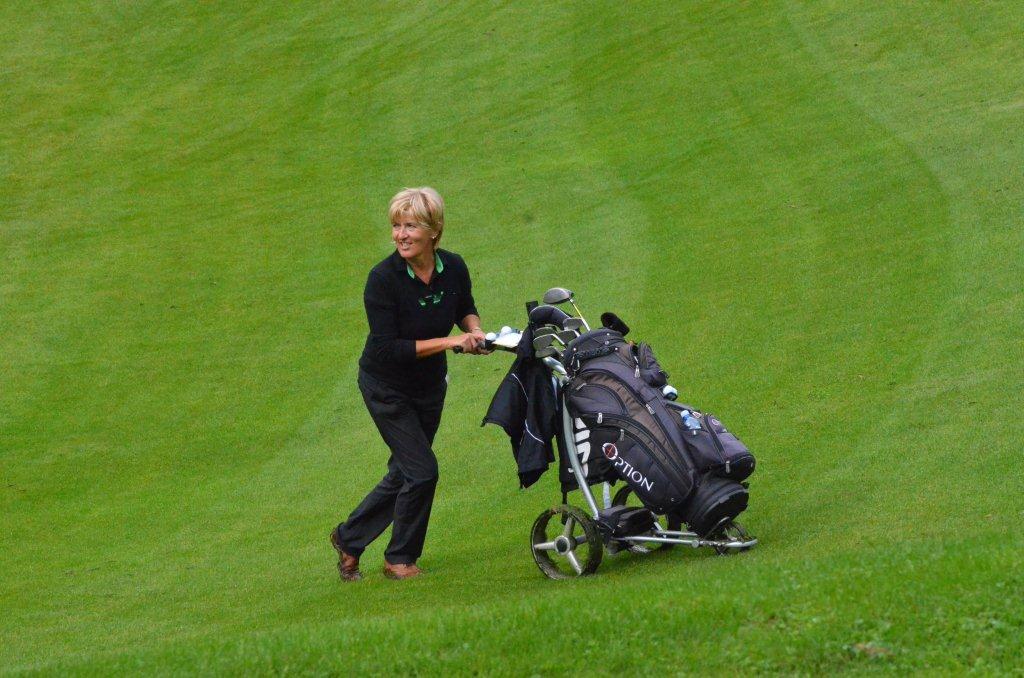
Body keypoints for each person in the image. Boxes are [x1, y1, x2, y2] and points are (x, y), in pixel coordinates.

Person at [330, 187, 487, 581]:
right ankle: (399, 559)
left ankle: (349, 539)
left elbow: (464, 306)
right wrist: (449, 342)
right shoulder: (382, 279)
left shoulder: (454, 267)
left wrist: (475, 331)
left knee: (406, 470)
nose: (400, 235)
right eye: (397, 226)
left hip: (429, 387)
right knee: (422, 471)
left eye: (410, 226)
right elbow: (388, 349)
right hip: (386, 388)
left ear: (434, 230)